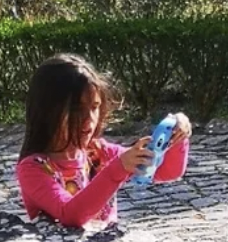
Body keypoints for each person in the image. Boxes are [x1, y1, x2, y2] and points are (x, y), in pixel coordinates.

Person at [16, 54, 191, 228]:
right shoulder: (33, 168)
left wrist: (177, 137)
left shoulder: (99, 152)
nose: (89, 119)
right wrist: (116, 170)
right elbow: (70, 215)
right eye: (77, 109)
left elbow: (167, 171)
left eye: (95, 107)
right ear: (48, 111)